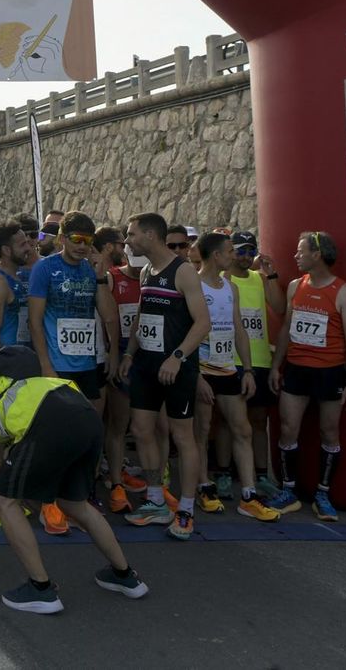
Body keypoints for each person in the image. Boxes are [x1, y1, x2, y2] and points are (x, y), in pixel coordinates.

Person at [0, 357, 148, 615]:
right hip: (84, 415)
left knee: (4, 498)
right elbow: (13, 478)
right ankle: (125, 576)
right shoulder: (4, 393)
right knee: (75, 505)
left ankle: (40, 589)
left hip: (49, 421)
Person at [26, 212, 118, 534]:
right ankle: (48, 501)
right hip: (57, 364)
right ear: (62, 238)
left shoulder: (92, 271)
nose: (81, 247)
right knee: (54, 436)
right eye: (76, 240)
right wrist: (45, 364)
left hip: (87, 364)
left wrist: (102, 277)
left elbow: (107, 315)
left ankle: (82, 496)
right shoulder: (45, 269)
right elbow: (34, 321)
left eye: (87, 241)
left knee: (90, 433)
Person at [119, 212, 211, 538]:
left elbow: (203, 323)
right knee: (142, 428)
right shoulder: (145, 270)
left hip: (177, 368)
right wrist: (130, 352)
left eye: (132, 234)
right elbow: (142, 316)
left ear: (150, 235)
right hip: (146, 364)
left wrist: (177, 357)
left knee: (182, 436)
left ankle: (186, 509)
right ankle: (156, 499)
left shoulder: (183, 271)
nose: (127, 240)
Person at [266, 231, 346, 521]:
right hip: (296, 369)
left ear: (317, 255)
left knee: (328, 432)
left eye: (300, 251)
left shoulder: (342, 292)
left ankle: (323, 493)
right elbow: (286, 328)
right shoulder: (297, 285)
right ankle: (289, 489)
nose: (295, 256)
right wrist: (276, 366)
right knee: (287, 428)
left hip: (330, 372)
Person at [191, 233, 281, 521]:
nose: (234, 255)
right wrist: (196, 376)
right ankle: (204, 486)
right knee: (203, 431)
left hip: (229, 367)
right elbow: (184, 332)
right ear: (216, 255)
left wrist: (249, 371)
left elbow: (239, 329)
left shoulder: (230, 287)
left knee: (242, 429)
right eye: (229, 251)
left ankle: (249, 495)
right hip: (202, 369)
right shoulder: (192, 285)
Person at [227, 230, 287, 497]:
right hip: (230, 358)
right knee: (227, 421)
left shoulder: (259, 279)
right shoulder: (222, 280)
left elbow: (279, 307)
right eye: (241, 251)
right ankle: (224, 473)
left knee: (259, 420)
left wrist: (271, 274)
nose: (246, 256)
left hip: (259, 358)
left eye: (251, 251)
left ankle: (261, 475)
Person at [96, 227, 146, 512]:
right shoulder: (113, 278)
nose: (138, 274)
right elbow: (108, 320)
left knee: (151, 428)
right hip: (121, 357)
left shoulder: (155, 276)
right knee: (117, 424)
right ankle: (115, 483)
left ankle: (157, 486)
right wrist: (114, 353)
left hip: (149, 358)